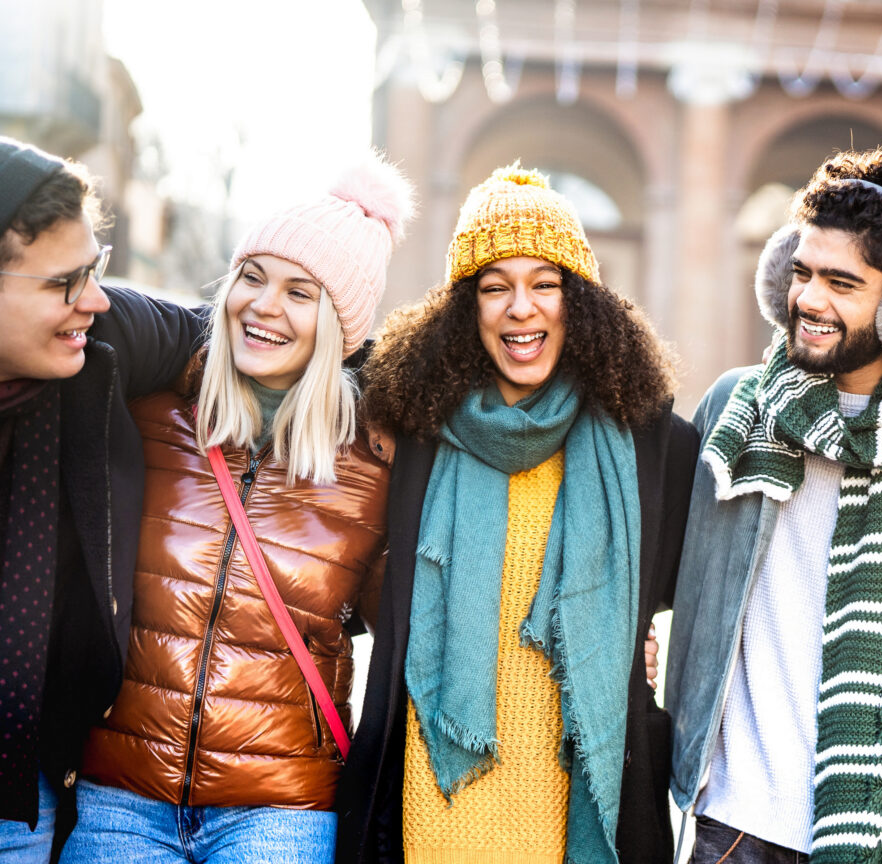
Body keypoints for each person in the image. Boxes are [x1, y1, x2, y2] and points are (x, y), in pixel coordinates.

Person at [56, 154, 413, 862]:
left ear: (341, 326)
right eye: (251, 277)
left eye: (300, 293)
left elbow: (405, 619)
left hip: (280, 810)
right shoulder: (149, 412)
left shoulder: (377, 462)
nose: (264, 306)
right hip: (121, 797)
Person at [336, 165, 696, 864]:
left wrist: (636, 645)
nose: (520, 308)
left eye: (545, 284)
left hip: (576, 805)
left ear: (580, 302)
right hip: (433, 797)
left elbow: (691, 603)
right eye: (494, 287)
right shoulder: (409, 428)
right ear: (464, 309)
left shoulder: (655, 446)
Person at [666, 149, 882, 863]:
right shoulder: (738, 411)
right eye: (802, 272)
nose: (809, 300)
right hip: (739, 823)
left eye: (842, 282)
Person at [0, 137, 204, 861]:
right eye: (65, 281)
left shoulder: (103, 335)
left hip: (23, 798)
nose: (93, 297)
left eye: (98, 268)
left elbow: (245, 339)